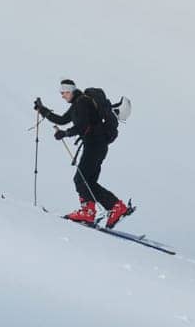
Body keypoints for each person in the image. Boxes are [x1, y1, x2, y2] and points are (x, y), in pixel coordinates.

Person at [34, 80, 132, 229]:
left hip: (95, 145)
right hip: (97, 145)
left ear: (72, 91)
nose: (63, 96)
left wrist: (66, 133)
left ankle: (88, 211)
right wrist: (42, 109)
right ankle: (116, 207)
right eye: (61, 93)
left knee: (80, 179)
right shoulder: (78, 104)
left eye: (65, 92)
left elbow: (82, 126)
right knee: (88, 182)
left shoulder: (82, 103)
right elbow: (62, 120)